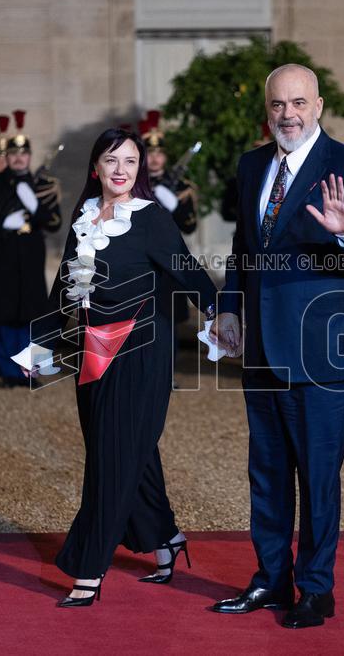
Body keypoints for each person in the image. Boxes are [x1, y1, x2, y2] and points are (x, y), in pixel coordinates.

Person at [210, 64, 344, 629]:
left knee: (317, 476)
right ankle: (270, 578)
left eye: (297, 103)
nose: (286, 114)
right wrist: (231, 309)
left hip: (319, 351)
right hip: (262, 348)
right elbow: (244, 247)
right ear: (267, 110)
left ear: (318, 107)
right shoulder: (250, 166)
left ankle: (316, 590)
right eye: (276, 105)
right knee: (265, 473)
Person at [27, 128, 220, 607]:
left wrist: (223, 315)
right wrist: (39, 349)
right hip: (92, 353)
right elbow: (63, 289)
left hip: (140, 355)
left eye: (131, 161)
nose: (121, 169)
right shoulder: (84, 217)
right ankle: (166, 537)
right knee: (130, 452)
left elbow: (189, 271)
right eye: (112, 160)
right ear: (96, 167)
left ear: (142, 169)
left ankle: (88, 568)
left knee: (110, 460)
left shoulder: (151, 218)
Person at [0, 110, 63, 387]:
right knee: (5, 315)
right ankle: (8, 371)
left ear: (29, 156)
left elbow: (54, 221)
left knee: (32, 317)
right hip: (3, 258)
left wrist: (35, 208)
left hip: (30, 257)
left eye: (23, 154)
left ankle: (29, 372)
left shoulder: (43, 185)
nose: (18, 158)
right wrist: (3, 222)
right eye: (13, 154)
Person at [140, 110, 199, 381]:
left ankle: (166, 372)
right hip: (139, 261)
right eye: (149, 152)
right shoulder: (132, 183)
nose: (154, 158)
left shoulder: (182, 186)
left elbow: (189, 226)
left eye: (159, 153)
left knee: (168, 318)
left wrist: (173, 207)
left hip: (168, 263)